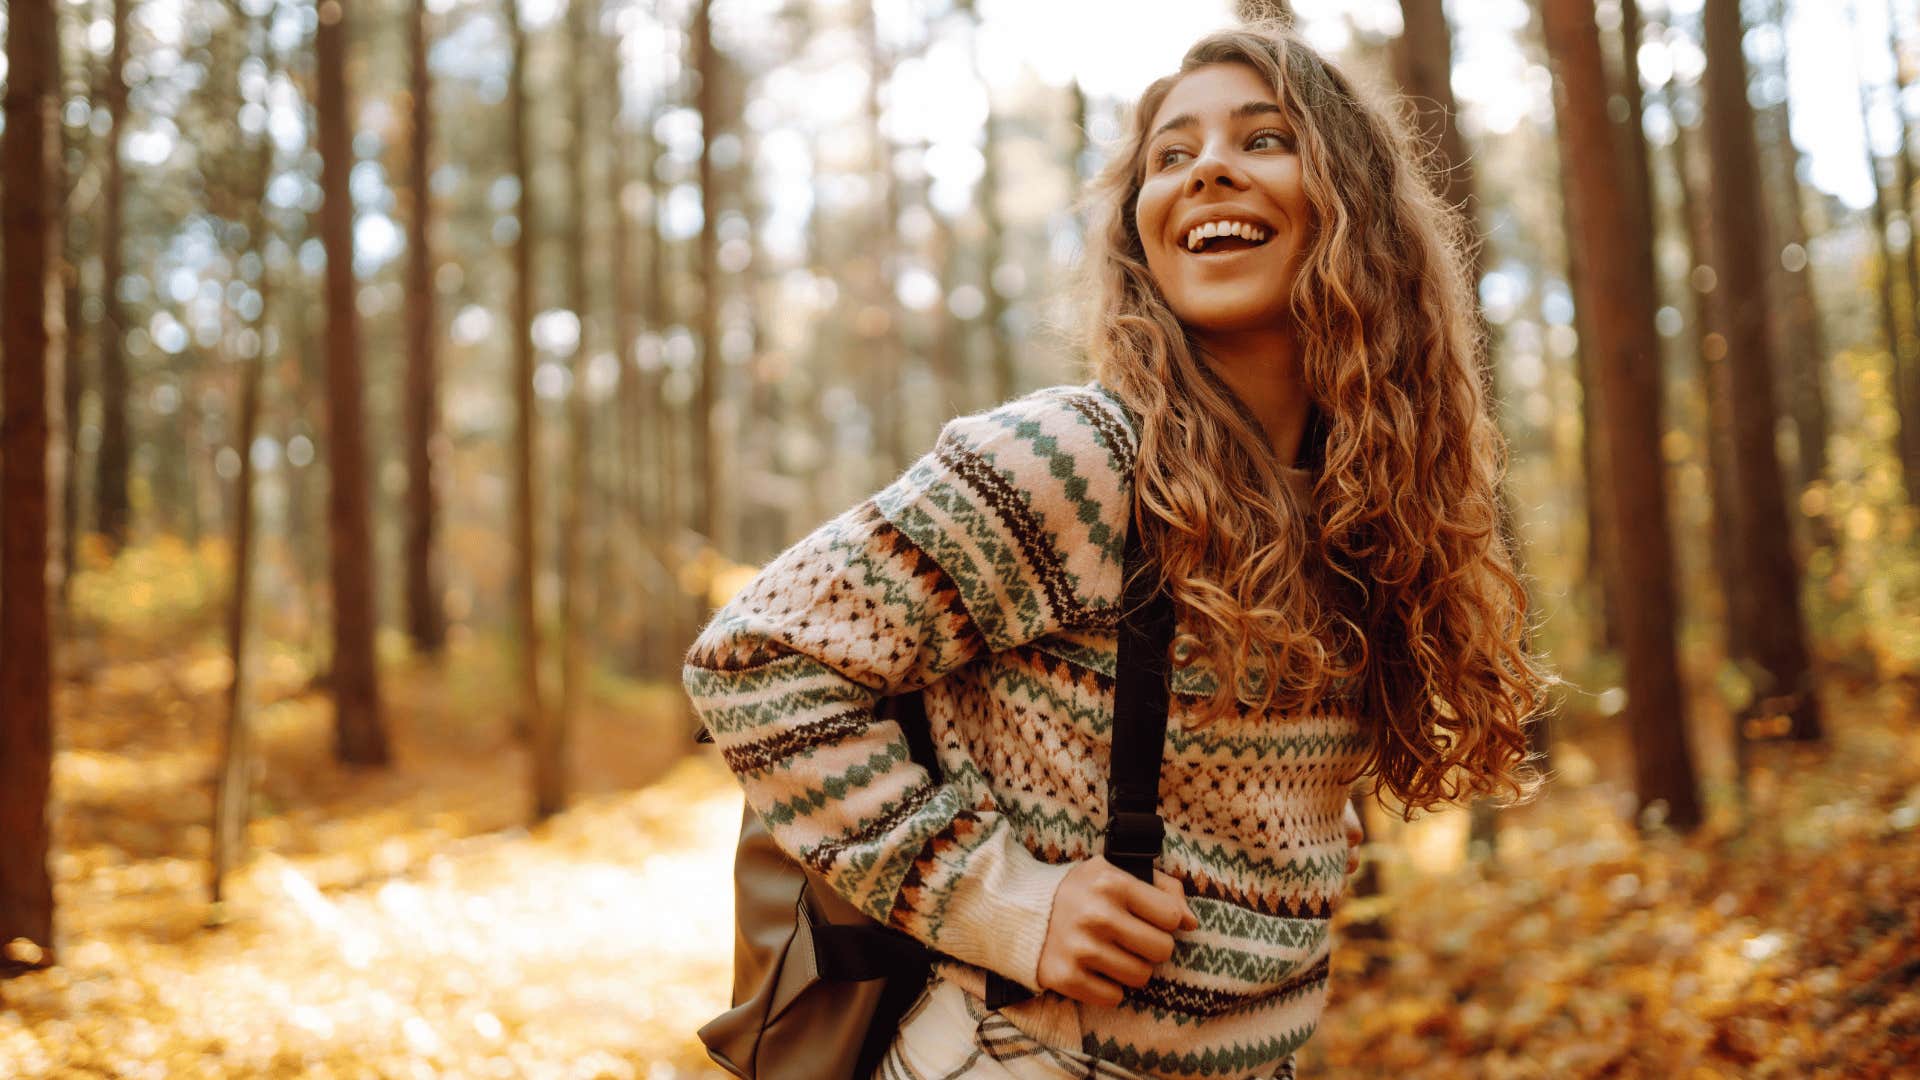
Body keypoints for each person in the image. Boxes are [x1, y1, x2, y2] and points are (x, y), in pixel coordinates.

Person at [682, 18, 1554, 1080]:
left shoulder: (1363, 496)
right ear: (1139, 230)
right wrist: (1001, 899)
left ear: (1355, 206)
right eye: (1171, 157)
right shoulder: (1075, 461)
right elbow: (757, 659)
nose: (1209, 170)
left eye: (1264, 139)